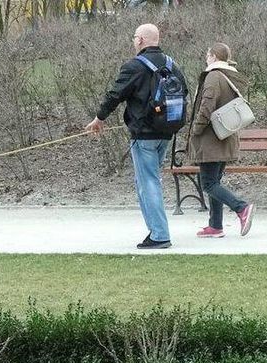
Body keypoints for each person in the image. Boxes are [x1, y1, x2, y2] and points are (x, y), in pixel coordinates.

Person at [86, 23, 189, 249]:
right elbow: (185, 92)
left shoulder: (134, 66)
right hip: (166, 133)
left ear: (141, 40)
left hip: (143, 136)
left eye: (135, 38)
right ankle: (155, 231)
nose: (134, 41)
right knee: (148, 180)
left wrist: (99, 118)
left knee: (148, 182)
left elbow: (115, 94)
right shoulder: (172, 64)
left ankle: (160, 235)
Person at [187, 43, 255, 238]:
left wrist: (196, 129)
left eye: (207, 54)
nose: (206, 58)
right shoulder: (228, 75)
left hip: (210, 140)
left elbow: (206, 106)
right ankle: (215, 226)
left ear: (214, 56)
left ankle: (241, 208)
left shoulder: (214, 76)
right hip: (224, 137)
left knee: (208, 183)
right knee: (214, 182)